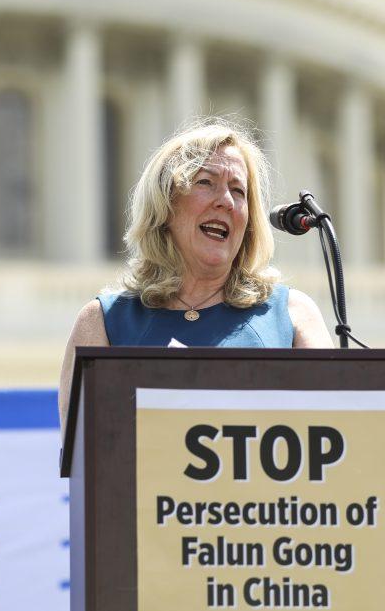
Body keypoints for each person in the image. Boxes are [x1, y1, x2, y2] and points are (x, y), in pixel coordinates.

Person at [58, 119, 334, 426]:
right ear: (165, 204)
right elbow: (90, 455)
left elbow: (328, 432)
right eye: (206, 182)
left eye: (238, 191)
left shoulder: (293, 315)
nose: (226, 202)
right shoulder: (102, 322)